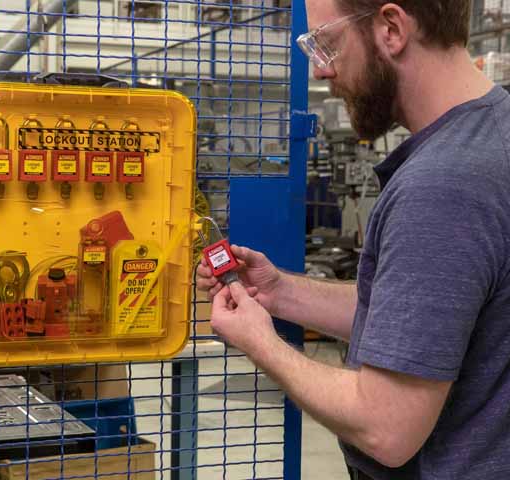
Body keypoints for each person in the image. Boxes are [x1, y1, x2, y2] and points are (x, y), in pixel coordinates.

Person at [196, 1, 510, 479]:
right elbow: (424, 319)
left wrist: (260, 343)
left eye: (327, 42)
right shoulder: (495, 131)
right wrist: (281, 292)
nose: (322, 71)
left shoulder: (443, 184)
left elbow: (387, 428)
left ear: (391, 28)